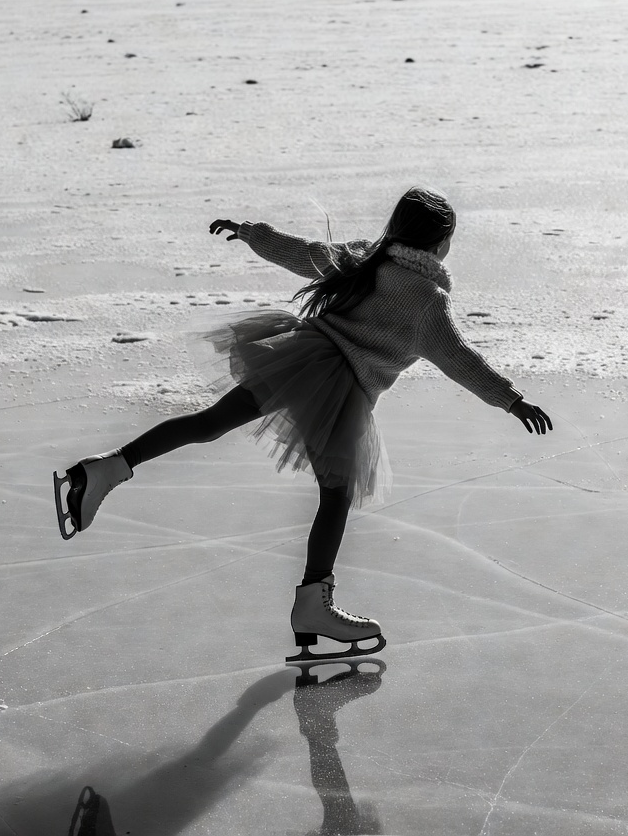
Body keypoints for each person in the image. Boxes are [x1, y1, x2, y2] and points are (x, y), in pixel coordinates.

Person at [53, 185, 552, 662]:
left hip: (298, 356)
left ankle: (107, 468)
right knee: (336, 495)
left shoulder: (364, 257)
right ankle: (313, 603)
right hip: (341, 390)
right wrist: (513, 401)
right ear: (442, 243)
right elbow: (461, 360)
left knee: (209, 424)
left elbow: (300, 251)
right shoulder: (427, 300)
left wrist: (250, 232)